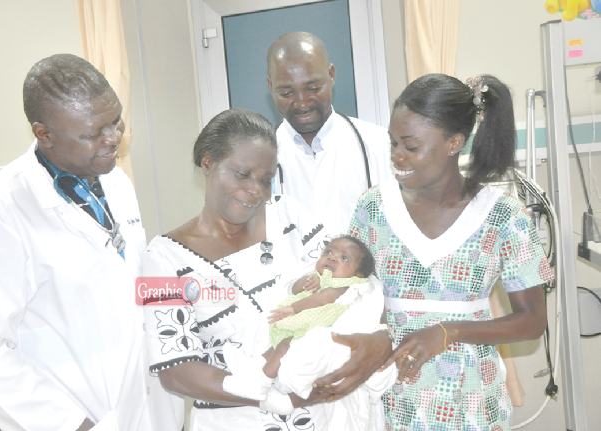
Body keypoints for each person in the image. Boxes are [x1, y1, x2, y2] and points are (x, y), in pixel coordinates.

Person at [0, 54, 171, 431]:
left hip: (146, 403)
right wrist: (71, 425)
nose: (113, 139)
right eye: (93, 132)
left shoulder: (115, 181)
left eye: (114, 121)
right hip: (78, 415)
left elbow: (131, 280)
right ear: (44, 134)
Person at [330, 73, 552, 431]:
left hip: (469, 398)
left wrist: (448, 331)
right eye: (392, 143)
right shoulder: (373, 208)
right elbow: (350, 296)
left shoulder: (502, 215)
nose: (397, 156)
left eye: (410, 146)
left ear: (454, 143)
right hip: (389, 393)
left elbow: (532, 321)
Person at [143, 108, 365, 431]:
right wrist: (263, 392)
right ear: (208, 164)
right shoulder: (162, 259)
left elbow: (352, 285)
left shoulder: (288, 217)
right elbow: (175, 371)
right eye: (242, 174)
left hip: (321, 416)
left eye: (265, 179)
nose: (256, 191)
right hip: (234, 421)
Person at [220, 235, 396, 431]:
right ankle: (255, 370)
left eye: (344, 258)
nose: (332, 257)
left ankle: (263, 384)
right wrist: (307, 281)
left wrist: (294, 308)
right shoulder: (317, 276)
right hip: (299, 323)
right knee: (277, 348)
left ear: (359, 274)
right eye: (329, 252)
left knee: (284, 348)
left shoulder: (345, 286)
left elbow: (321, 299)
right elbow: (293, 287)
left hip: (311, 328)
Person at [267, 31, 392, 235]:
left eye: (313, 88)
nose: (302, 102)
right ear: (270, 87)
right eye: (287, 93)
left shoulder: (380, 145)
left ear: (332, 75)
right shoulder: (259, 159)